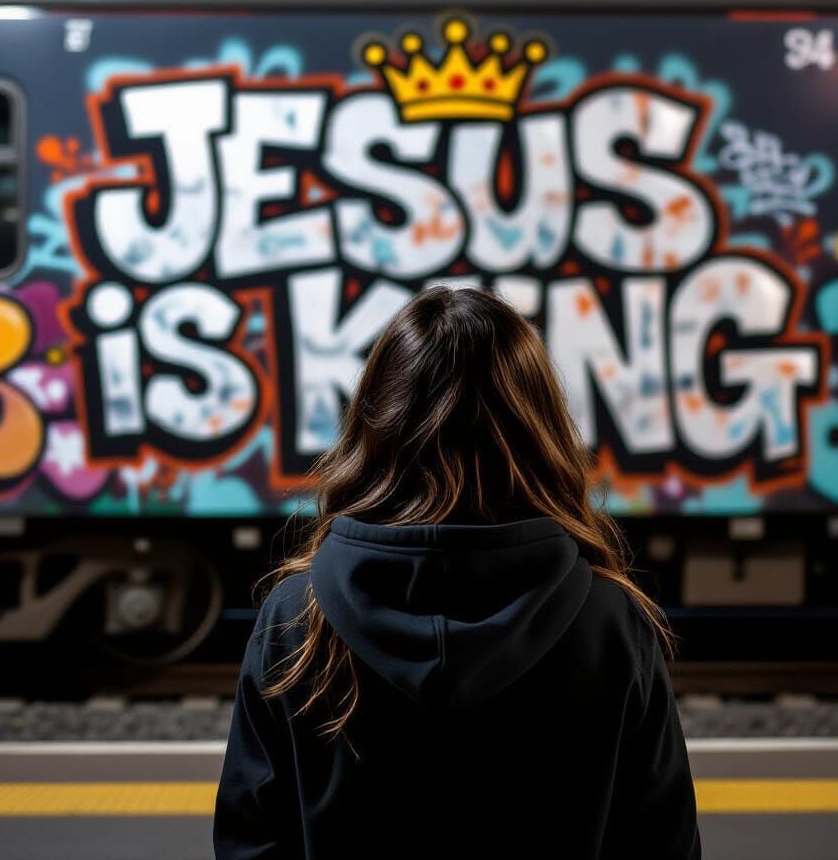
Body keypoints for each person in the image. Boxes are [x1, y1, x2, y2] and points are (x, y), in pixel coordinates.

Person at [214, 285, 702, 859]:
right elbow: (662, 845)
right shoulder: (610, 621)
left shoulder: (295, 617)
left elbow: (252, 840)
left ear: (377, 422)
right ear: (538, 428)